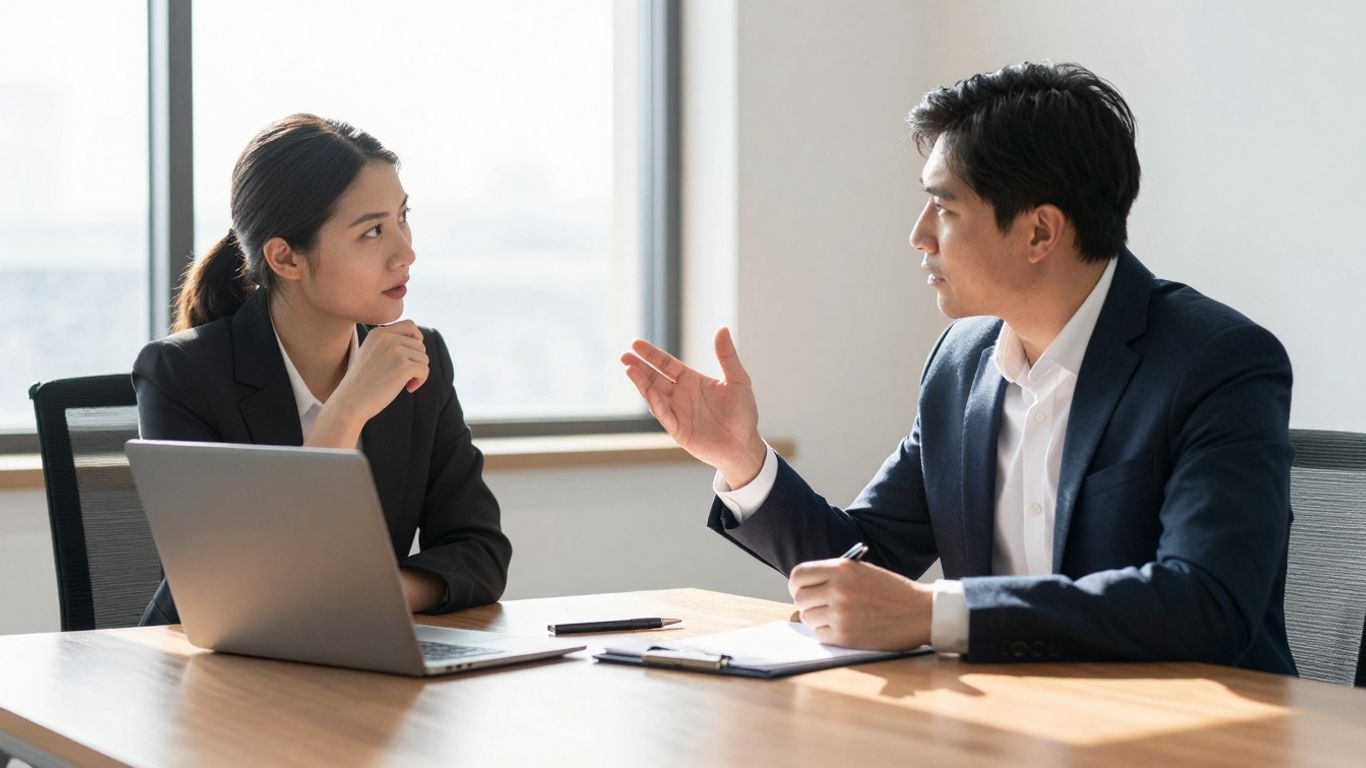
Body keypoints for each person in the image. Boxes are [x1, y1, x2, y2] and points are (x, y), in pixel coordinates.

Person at [620, 62, 1297, 673]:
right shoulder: (960, 364)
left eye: (944, 208)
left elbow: (1206, 599)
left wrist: (939, 613)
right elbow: (867, 565)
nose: (918, 235)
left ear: (1039, 232)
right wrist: (743, 460)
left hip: (1195, 735)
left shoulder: (1217, 362)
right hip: (1011, 728)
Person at [134, 114, 511, 626]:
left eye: (403, 217)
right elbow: (229, 587)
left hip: (358, 662)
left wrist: (375, 595)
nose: (406, 252)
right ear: (287, 258)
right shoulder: (182, 374)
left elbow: (479, 551)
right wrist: (345, 412)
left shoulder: (420, 360)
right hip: (215, 674)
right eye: (373, 231)